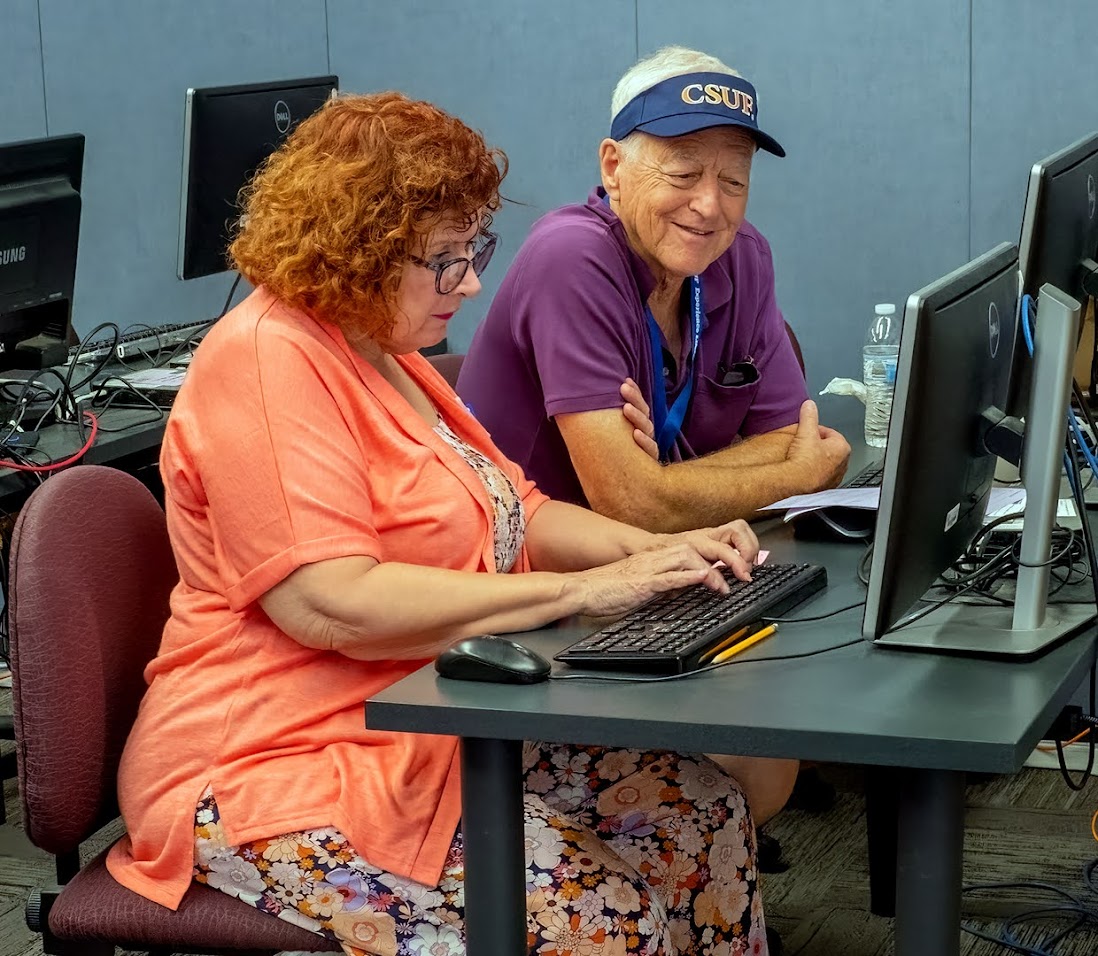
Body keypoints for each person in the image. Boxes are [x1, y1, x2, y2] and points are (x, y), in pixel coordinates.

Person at [105, 92, 773, 956]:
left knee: (704, 818)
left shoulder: (390, 354)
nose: (473, 280)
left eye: (475, 249)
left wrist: (656, 552)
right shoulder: (265, 358)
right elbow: (330, 603)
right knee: (600, 917)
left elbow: (516, 510)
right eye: (447, 258)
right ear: (359, 250)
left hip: (417, 728)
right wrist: (578, 592)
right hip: (269, 761)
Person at [459, 46, 849, 835]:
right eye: (681, 173)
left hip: (654, 575)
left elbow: (792, 438)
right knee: (751, 762)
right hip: (525, 601)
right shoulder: (572, 256)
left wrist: (676, 481)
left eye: (733, 178)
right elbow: (635, 496)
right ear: (613, 164)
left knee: (777, 736)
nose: (710, 205)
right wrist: (786, 473)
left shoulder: (742, 259)